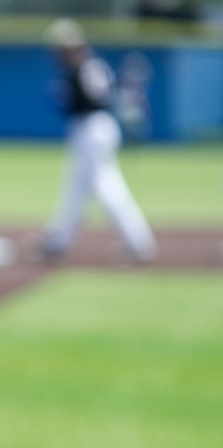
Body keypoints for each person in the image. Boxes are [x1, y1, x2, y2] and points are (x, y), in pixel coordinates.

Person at [36, 18, 157, 265]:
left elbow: (92, 100)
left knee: (106, 187)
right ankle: (58, 241)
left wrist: (68, 96)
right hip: (95, 128)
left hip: (91, 128)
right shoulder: (91, 64)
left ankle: (139, 243)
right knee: (76, 187)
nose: (58, 54)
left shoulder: (82, 67)